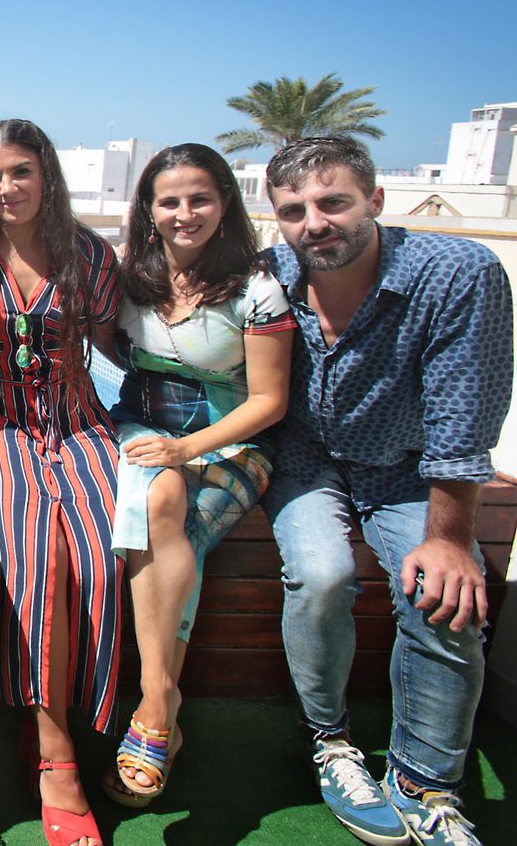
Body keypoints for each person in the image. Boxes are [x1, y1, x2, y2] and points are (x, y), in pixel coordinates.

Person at [261, 136, 511, 846]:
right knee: (321, 574)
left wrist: (450, 538)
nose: (315, 221)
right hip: (306, 460)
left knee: (445, 598)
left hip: (408, 466)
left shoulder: (457, 274)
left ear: (375, 200)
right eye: (294, 210)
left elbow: (466, 414)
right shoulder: (269, 276)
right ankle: (331, 743)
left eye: (333, 201)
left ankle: (425, 783)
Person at [100, 143, 294, 807]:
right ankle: (161, 703)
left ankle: (156, 710)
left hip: (231, 443)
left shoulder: (256, 289)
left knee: (166, 507)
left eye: (200, 198)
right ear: (148, 211)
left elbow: (269, 401)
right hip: (143, 432)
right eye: (170, 200)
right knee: (161, 494)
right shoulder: (131, 277)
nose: (186, 213)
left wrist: (188, 450)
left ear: (225, 205)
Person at [0, 119, 121, 846]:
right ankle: (57, 755)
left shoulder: (90, 254)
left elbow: (129, 346)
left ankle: (77, 722)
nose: (7, 188)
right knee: (37, 560)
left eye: (21, 172)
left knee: (102, 555)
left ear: (47, 174)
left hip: (80, 420)